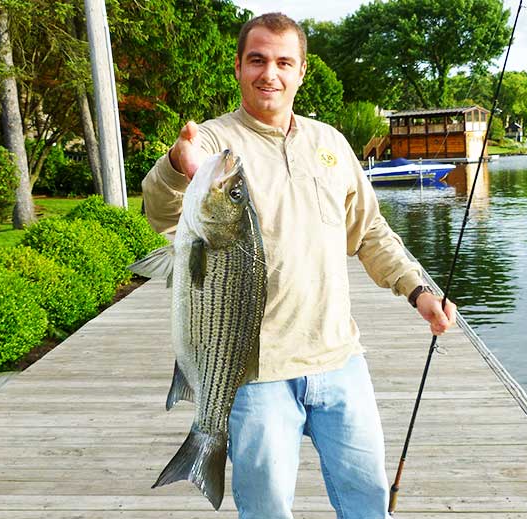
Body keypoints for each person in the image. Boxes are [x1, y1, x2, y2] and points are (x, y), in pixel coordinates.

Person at [141, 12, 457, 519]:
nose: (271, 73)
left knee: (368, 502)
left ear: (301, 71)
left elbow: (370, 232)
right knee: (266, 511)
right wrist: (177, 167)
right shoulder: (211, 144)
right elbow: (160, 209)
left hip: (340, 360)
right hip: (252, 372)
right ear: (239, 68)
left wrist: (419, 289)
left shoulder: (330, 143)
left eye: (284, 62)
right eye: (258, 60)